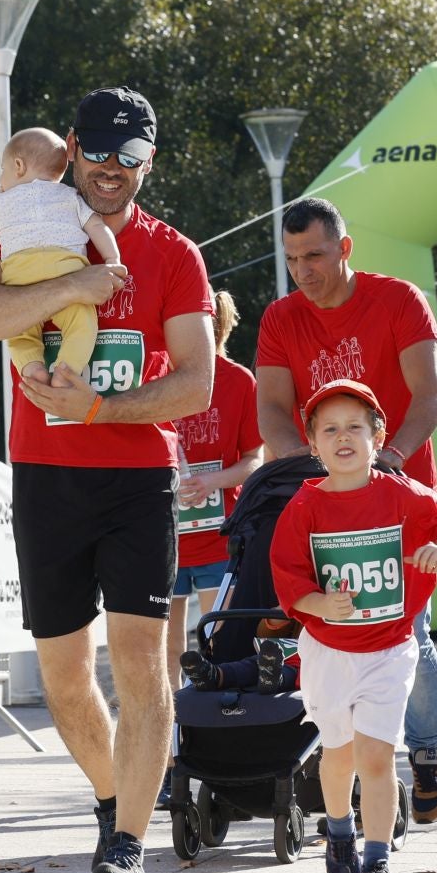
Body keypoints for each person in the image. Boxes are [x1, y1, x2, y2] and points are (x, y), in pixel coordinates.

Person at [0, 86, 214, 873]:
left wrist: (99, 406)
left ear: (150, 163)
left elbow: (197, 385)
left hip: (137, 481)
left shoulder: (175, 255)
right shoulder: (33, 217)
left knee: (139, 664)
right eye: (98, 151)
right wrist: (76, 290)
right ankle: (114, 801)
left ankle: (127, 846)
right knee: (65, 678)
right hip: (47, 477)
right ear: (71, 146)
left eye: (130, 157)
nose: (110, 169)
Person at [254, 196, 437, 822]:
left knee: (410, 637)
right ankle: (349, 768)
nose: (303, 271)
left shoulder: (397, 301)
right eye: (291, 260)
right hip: (329, 505)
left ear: (344, 249)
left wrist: (386, 457)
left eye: (314, 255)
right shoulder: (282, 318)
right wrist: (317, 470)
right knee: (334, 640)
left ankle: (425, 747)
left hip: (397, 499)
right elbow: (273, 412)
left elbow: (432, 395)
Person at [269, 380, 437, 873]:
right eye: (329, 429)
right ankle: (337, 831)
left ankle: (377, 861)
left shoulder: (398, 492)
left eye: (355, 426)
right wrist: (317, 604)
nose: (343, 437)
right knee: (339, 755)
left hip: (388, 649)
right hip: (329, 653)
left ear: (378, 437)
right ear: (313, 444)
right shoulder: (305, 507)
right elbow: (288, 578)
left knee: (377, 757)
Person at [168, 289, 265, 693]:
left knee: (217, 641)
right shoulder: (158, 379)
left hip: (217, 539)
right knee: (164, 645)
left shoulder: (240, 381)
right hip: (168, 538)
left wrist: (211, 481)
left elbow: (253, 459)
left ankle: (215, 714)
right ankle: (169, 723)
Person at [0, 127, 122, 386]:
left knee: (20, 331)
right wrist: (112, 259)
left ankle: (33, 367)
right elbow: (97, 226)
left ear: (18, 165)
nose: (2, 178)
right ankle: (66, 371)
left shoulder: (3, 201)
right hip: (65, 269)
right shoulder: (70, 196)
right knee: (82, 325)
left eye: (3, 169)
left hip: (19, 275)